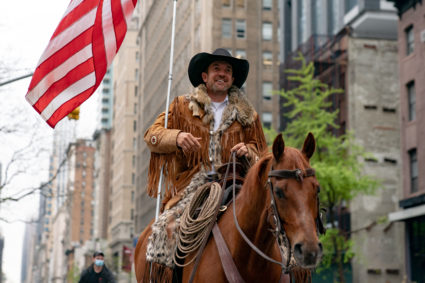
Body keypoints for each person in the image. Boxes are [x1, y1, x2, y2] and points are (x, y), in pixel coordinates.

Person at [143, 48, 268, 271]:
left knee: (272, 226)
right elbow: (152, 135)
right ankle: (165, 276)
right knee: (167, 229)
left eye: (227, 70)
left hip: (235, 185)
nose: (222, 74)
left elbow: (264, 155)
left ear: (232, 78)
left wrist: (249, 151)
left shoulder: (249, 116)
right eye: (216, 69)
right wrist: (177, 136)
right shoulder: (182, 106)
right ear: (204, 76)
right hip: (191, 188)